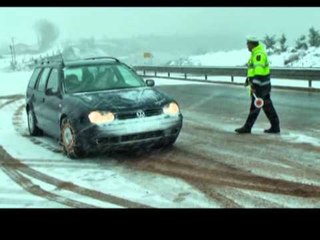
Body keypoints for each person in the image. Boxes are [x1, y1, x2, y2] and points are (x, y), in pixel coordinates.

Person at [235, 36, 280, 134]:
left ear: (251, 44)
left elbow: (259, 72)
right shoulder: (256, 53)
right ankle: (275, 126)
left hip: (260, 86)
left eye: (248, 44)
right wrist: (248, 80)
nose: (247, 46)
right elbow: (253, 70)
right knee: (267, 106)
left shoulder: (258, 54)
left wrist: (254, 86)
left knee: (255, 107)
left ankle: (247, 127)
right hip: (263, 85)